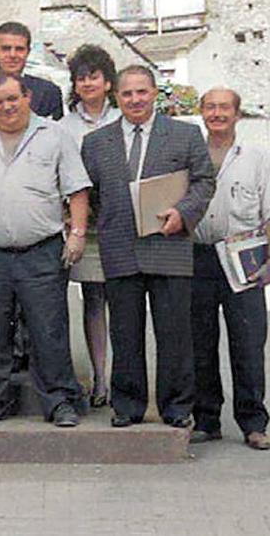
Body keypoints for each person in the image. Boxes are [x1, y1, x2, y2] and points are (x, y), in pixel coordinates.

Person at [0, 72, 90, 428]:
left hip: (40, 251)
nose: (6, 107)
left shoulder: (55, 135)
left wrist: (77, 234)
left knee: (49, 330)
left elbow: (76, 190)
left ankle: (58, 401)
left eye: (13, 99)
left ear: (27, 97)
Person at [81, 65, 215, 429]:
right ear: (116, 97)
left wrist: (183, 213)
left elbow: (204, 181)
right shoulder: (95, 143)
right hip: (120, 247)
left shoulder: (185, 135)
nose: (135, 99)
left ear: (155, 93)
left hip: (169, 244)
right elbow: (91, 195)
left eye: (142, 92)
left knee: (174, 334)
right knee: (125, 333)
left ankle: (176, 407)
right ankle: (127, 405)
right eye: (127, 94)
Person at [190, 87, 269, 451]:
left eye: (225, 107)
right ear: (201, 113)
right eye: (210, 107)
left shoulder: (256, 158)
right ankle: (206, 419)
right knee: (200, 342)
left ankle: (254, 422)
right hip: (198, 254)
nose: (217, 113)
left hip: (244, 256)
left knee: (249, 343)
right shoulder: (190, 154)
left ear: (238, 114)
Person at [56, 45, 120, 408]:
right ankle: (99, 378)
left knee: (124, 300)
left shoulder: (123, 116)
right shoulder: (64, 126)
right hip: (82, 223)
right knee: (93, 299)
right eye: (81, 77)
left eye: (94, 75)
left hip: (121, 221)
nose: (87, 82)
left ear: (108, 81)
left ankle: (124, 376)